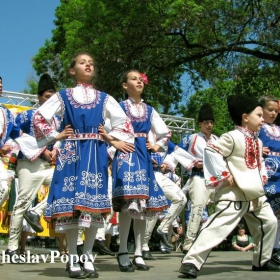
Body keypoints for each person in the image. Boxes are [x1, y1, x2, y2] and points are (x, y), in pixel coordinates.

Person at [33, 52, 135, 279]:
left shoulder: (104, 98)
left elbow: (124, 124)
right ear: (72, 71)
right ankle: (72, 260)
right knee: (72, 208)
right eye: (82, 62)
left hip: (96, 153)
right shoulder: (64, 96)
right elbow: (39, 117)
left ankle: (88, 257)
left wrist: (110, 141)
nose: (88, 65)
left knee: (94, 207)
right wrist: (56, 135)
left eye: (91, 62)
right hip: (71, 152)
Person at [179, 95, 280, 278]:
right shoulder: (232, 137)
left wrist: (263, 175)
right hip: (234, 194)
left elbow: (259, 162)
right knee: (219, 226)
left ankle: (262, 261)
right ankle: (191, 261)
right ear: (245, 117)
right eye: (259, 115)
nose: (263, 119)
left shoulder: (258, 142)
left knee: (269, 222)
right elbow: (211, 151)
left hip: (255, 194)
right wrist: (224, 174)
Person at [107, 70, 171, 272]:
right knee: (128, 200)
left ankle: (138, 252)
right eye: (133, 79)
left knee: (143, 206)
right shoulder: (118, 107)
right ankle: (123, 250)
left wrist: (157, 146)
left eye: (140, 79)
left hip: (143, 155)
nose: (139, 81)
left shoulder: (150, 110)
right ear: (125, 86)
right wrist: (116, 143)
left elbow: (164, 132)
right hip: (126, 153)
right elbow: (105, 129)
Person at [5, 73, 59, 263]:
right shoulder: (28, 115)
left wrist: (55, 151)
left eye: (53, 98)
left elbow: (58, 140)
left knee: (62, 187)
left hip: (48, 165)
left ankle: (36, 212)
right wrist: (43, 149)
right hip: (29, 164)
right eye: (46, 97)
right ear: (39, 97)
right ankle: (12, 248)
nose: (50, 101)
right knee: (21, 203)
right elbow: (18, 136)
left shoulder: (57, 121)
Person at [164, 104, 217, 254]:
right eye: (206, 122)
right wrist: (168, 165)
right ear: (200, 124)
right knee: (197, 209)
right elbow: (177, 152)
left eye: (211, 122)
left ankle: (208, 241)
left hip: (216, 179)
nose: (209, 125)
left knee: (224, 208)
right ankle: (188, 244)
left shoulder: (217, 139)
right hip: (198, 177)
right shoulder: (192, 138)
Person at [142, 138, 187, 260]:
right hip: (144, 173)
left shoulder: (165, 139)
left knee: (181, 198)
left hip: (158, 175)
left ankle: (162, 229)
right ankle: (143, 246)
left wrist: (197, 160)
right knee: (152, 208)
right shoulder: (141, 130)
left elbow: (180, 151)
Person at [258, 95, 280, 254]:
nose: (273, 114)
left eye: (276, 111)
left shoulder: (278, 129)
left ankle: (276, 248)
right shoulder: (258, 129)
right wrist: (258, 149)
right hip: (267, 174)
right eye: (270, 110)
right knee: (268, 213)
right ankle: (267, 249)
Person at [0, 76, 17, 208]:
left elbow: (15, 134)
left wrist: (9, 143)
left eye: (1, 83)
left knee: (4, 188)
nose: (0, 86)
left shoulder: (6, 112)